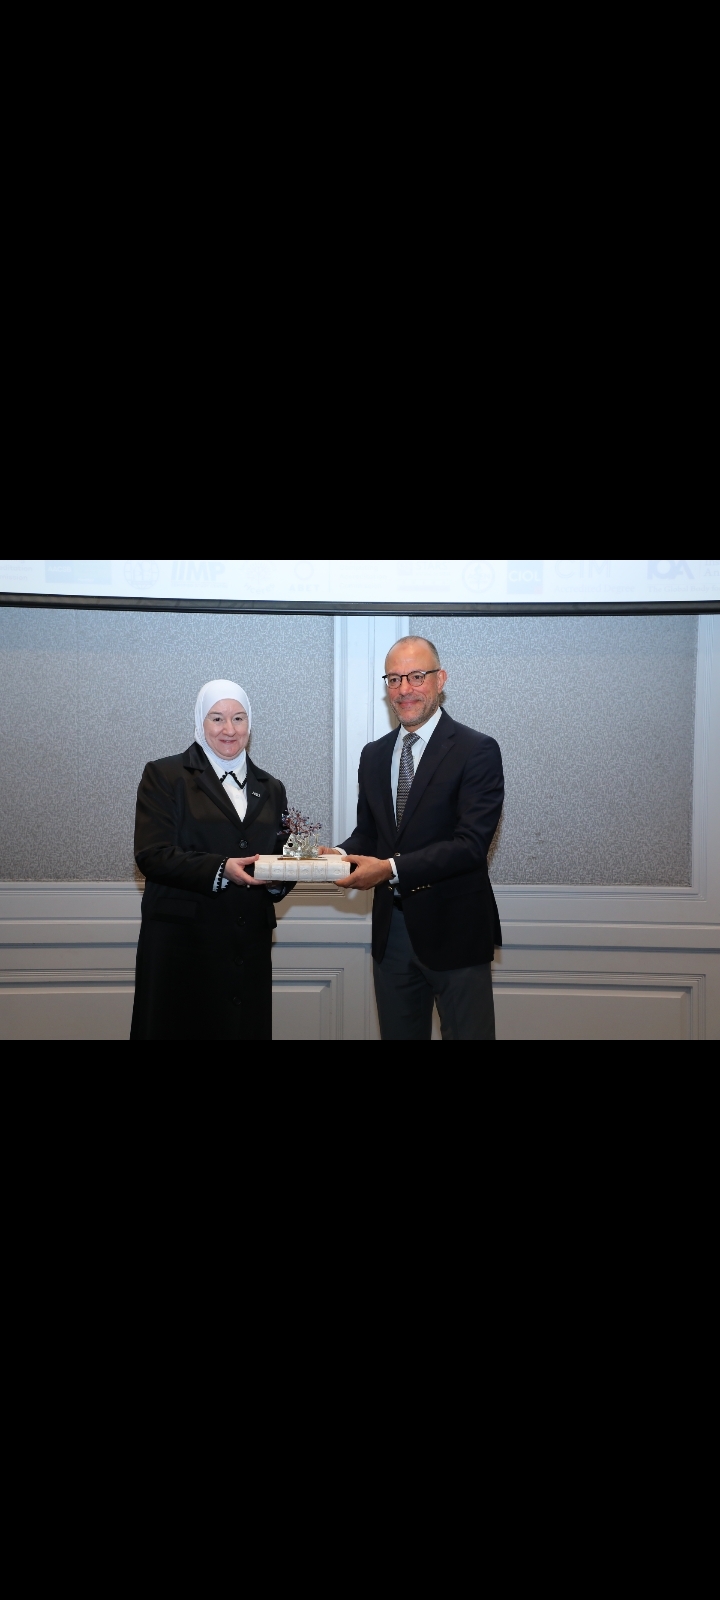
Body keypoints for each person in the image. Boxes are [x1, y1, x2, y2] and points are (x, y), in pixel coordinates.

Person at [321, 637, 504, 1040]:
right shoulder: (373, 755)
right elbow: (369, 834)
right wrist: (335, 855)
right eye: (394, 679)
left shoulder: (477, 750)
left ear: (440, 679)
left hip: (456, 932)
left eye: (416, 677)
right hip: (393, 935)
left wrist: (389, 869)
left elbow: (471, 846)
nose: (404, 689)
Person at [131, 679, 292, 1041]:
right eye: (217, 718)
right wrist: (222, 869)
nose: (229, 730)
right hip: (182, 947)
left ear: (250, 723)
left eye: (238, 718)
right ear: (200, 722)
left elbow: (280, 854)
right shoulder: (165, 776)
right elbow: (152, 854)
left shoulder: (271, 787)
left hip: (247, 946)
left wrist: (280, 877)